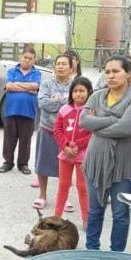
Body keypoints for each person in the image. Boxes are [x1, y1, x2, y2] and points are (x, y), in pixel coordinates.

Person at [80, 55, 131, 251]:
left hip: (124, 165)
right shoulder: (97, 96)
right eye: (107, 71)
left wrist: (98, 125)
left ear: (128, 73)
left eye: (116, 71)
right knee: (95, 211)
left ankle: (116, 254)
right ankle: (92, 250)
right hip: (95, 161)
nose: (110, 75)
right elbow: (83, 121)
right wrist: (113, 119)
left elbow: (126, 129)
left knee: (120, 213)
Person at [33, 54, 73, 209]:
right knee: (42, 163)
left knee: (66, 166)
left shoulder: (74, 85)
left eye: (64, 64)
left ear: (71, 68)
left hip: (67, 133)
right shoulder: (46, 83)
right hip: (47, 129)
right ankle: (42, 195)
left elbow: (78, 103)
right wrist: (65, 105)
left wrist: (55, 103)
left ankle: (65, 197)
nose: (61, 67)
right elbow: (42, 103)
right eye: (58, 64)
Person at [53, 76, 93, 228]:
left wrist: (78, 146)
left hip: (82, 155)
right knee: (63, 185)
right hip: (65, 154)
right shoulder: (64, 109)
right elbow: (57, 130)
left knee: (83, 188)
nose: (78, 94)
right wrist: (65, 146)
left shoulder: (91, 112)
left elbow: (92, 133)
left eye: (82, 91)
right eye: (75, 91)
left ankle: (86, 220)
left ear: (89, 92)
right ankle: (57, 217)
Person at [0, 48, 41, 174]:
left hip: (28, 112)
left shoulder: (36, 73)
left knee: (25, 140)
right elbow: (9, 86)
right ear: (20, 58)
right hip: (11, 111)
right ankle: (8, 163)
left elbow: (36, 86)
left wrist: (17, 84)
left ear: (34, 60)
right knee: (8, 139)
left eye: (30, 58)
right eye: (25, 58)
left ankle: (23, 164)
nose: (27, 60)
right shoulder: (12, 71)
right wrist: (28, 87)